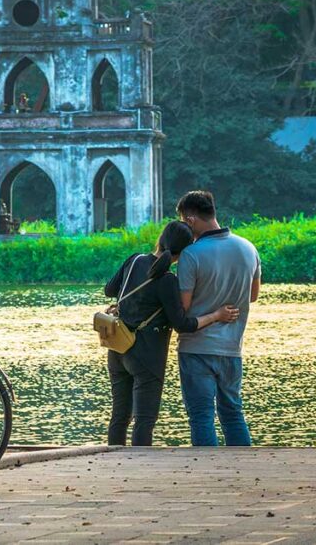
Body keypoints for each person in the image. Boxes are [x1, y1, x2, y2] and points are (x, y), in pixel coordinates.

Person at [103, 221, 239, 446]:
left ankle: (113, 466)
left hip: (118, 348)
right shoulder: (167, 280)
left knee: (119, 416)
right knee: (144, 420)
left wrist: (124, 305)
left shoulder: (134, 259)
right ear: (185, 251)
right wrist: (216, 315)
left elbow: (109, 289)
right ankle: (139, 469)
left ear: (161, 238)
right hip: (147, 356)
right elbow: (183, 324)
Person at [175, 190, 261, 446]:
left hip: (196, 347)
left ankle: (206, 472)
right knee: (233, 412)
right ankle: (245, 470)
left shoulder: (191, 254)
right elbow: (253, 295)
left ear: (190, 219)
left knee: (201, 415)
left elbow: (184, 308)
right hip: (232, 348)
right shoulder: (248, 247)